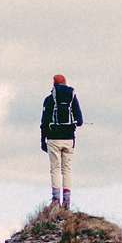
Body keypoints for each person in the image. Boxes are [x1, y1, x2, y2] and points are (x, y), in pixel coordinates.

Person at [40, 73, 83, 210]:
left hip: (53, 138)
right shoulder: (72, 97)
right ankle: (67, 202)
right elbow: (80, 121)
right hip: (69, 138)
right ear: (65, 82)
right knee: (67, 170)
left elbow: (44, 122)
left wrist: (43, 140)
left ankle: (55, 200)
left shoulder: (49, 99)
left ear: (54, 84)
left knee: (55, 169)